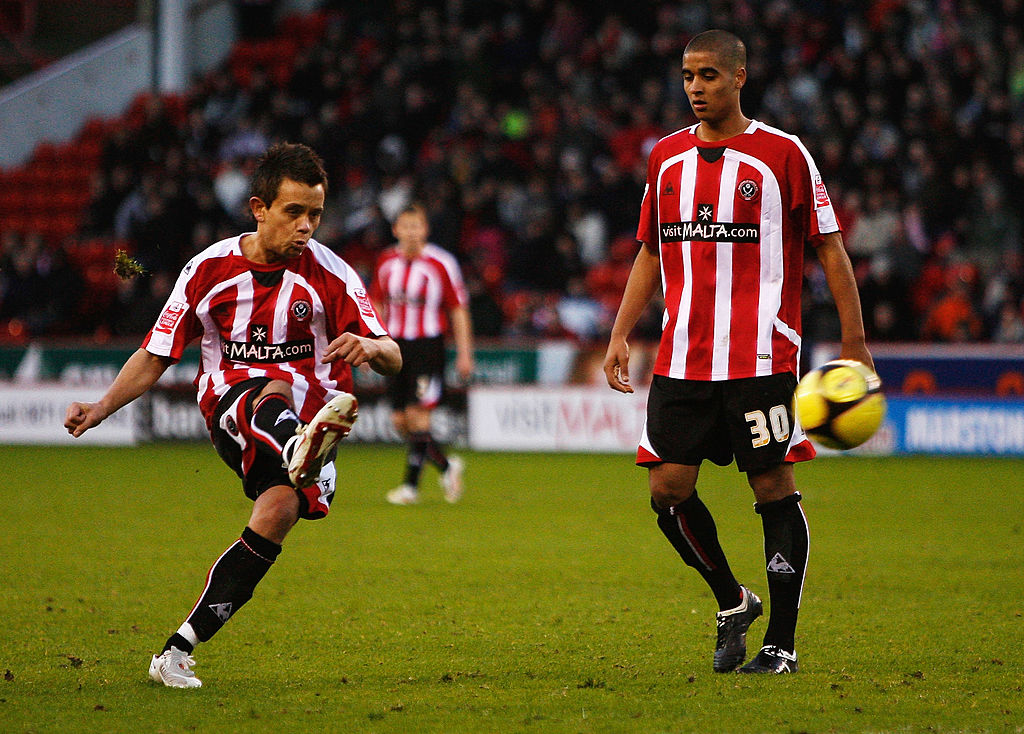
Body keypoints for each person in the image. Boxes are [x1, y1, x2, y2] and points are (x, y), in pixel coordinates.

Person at [64, 143, 402, 688]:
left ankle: (176, 651)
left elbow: (393, 355)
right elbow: (156, 353)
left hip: (313, 412)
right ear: (259, 209)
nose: (306, 226)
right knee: (270, 387)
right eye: (294, 212)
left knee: (276, 515)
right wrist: (101, 407)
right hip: (234, 405)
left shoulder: (333, 274)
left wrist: (371, 347)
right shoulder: (209, 270)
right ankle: (298, 446)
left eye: (315, 214)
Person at [603, 30, 873, 675]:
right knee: (667, 491)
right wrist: (620, 331)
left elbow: (830, 247)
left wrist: (855, 343)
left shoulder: (783, 154)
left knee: (773, 486)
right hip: (682, 358)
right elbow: (650, 251)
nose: (696, 88)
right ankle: (732, 599)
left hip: (761, 358)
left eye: (709, 76)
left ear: (739, 77)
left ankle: (781, 643)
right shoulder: (665, 158)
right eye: (688, 76)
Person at [371, 203, 474, 505]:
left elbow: (458, 309)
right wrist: (372, 342)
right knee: (400, 421)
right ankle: (447, 466)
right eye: (406, 226)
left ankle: (410, 488)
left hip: (427, 347)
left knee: (418, 416)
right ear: (396, 230)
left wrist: (465, 353)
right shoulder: (386, 261)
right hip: (394, 347)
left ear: (425, 230)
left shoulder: (442, 263)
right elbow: (376, 303)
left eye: (416, 226)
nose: (411, 232)